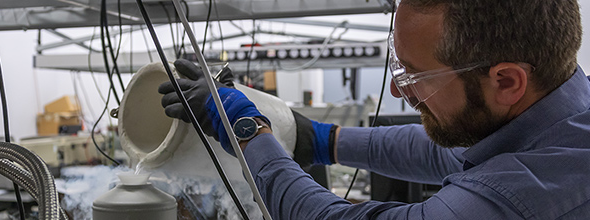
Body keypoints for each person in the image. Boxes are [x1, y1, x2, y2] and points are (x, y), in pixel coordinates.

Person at [159, 0, 590, 219]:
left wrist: (247, 129)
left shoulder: (524, 198)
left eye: (415, 77)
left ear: (507, 81)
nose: (399, 93)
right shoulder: (558, 120)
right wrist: (322, 140)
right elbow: (443, 151)